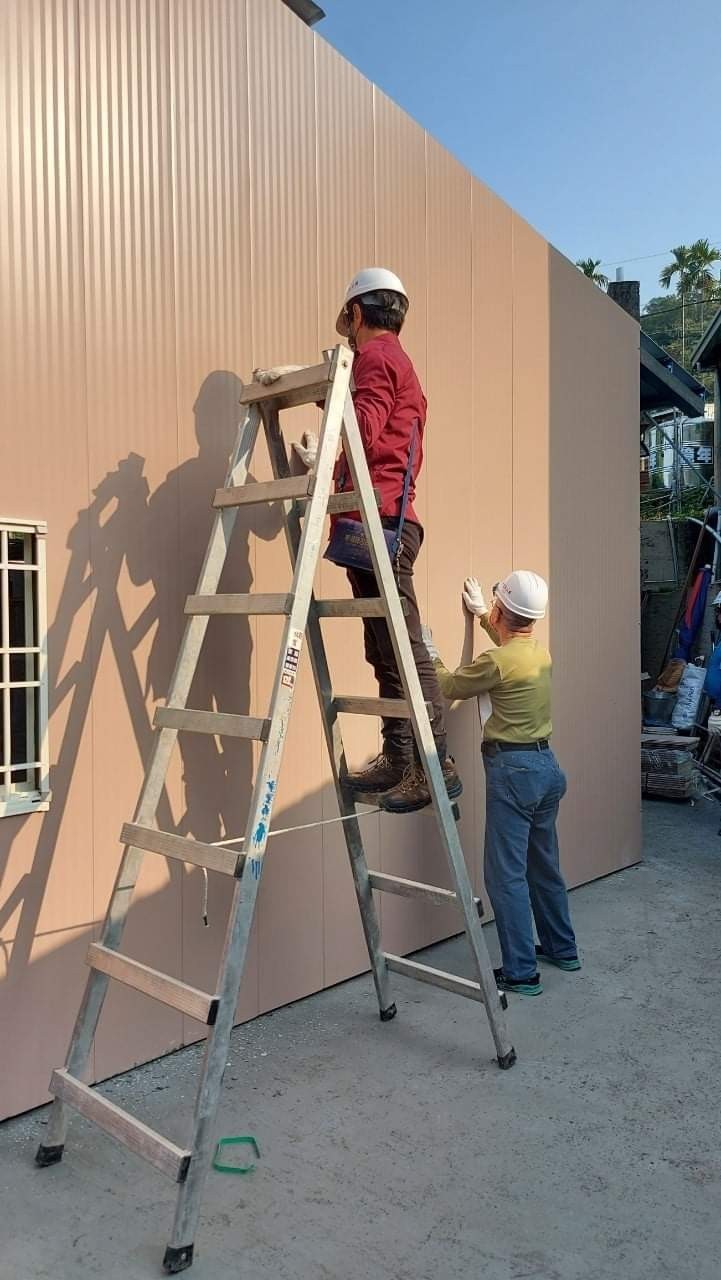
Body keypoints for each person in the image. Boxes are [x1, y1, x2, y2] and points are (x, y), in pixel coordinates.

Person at [254, 268, 461, 814]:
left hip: (382, 522)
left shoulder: (377, 357)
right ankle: (399, 756)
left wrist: (320, 388)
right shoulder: (389, 362)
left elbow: (362, 428)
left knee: (402, 647)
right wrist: (322, 461)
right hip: (374, 520)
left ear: (356, 313)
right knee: (384, 647)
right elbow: (371, 437)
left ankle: (434, 765)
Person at [422, 572, 579, 996]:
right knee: (543, 865)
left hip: (514, 773)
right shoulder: (538, 653)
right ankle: (562, 949)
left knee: (505, 875)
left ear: (501, 611)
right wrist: (481, 616)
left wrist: (430, 653)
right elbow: (510, 650)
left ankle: (522, 973)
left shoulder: (496, 662)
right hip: (547, 769)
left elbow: (449, 685)